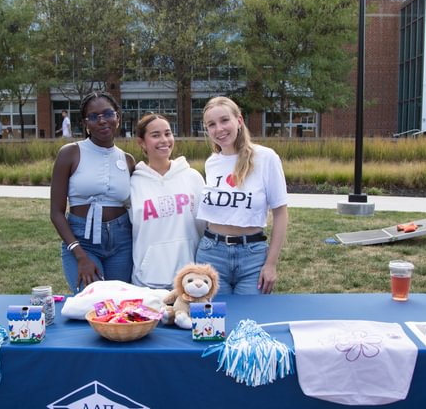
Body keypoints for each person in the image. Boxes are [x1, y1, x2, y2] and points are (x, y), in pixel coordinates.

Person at [196, 96, 289, 295]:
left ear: (239, 120)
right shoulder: (212, 162)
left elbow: (281, 213)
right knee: (213, 322)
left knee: (250, 320)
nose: (219, 129)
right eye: (211, 124)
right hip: (211, 254)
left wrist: (271, 264)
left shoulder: (266, 158)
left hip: (252, 256)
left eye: (224, 120)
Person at [50, 91, 135, 293]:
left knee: (118, 305)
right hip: (82, 242)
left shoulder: (128, 160)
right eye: (94, 117)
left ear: (117, 117)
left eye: (107, 114)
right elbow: (56, 212)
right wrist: (80, 255)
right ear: (85, 123)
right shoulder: (70, 153)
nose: (102, 121)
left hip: (122, 242)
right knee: (92, 304)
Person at [128, 113, 205, 289]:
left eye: (168, 133)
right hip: (147, 280)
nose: (164, 140)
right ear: (141, 142)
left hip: (191, 280)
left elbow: (203, 227)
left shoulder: (192, 177)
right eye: (155, 135)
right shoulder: (133, 183)